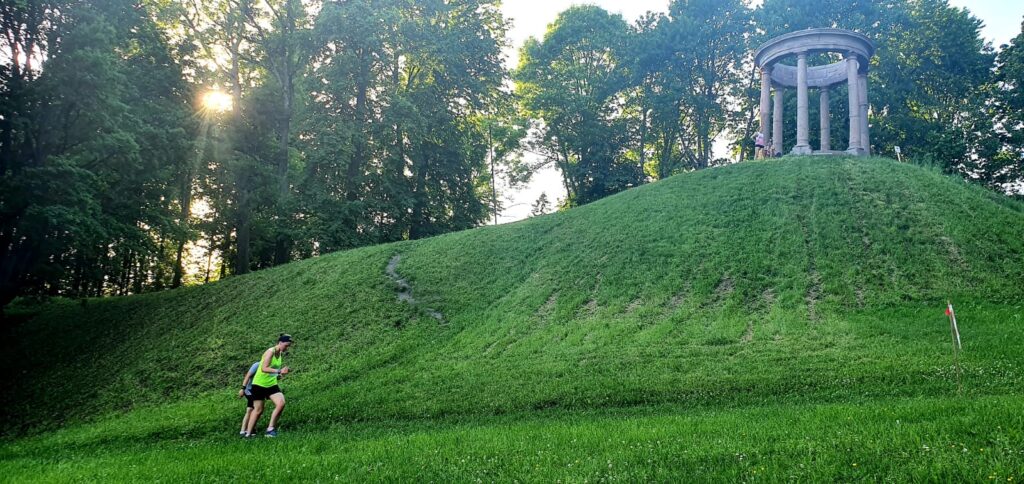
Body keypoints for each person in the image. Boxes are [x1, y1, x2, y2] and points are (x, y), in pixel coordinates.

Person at [244, 334, 292, 438]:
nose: (287, 347)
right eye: (286, 345)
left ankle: (270, 429)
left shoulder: (280, 354)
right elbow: (263, 368)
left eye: (289, 346)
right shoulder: (270, 352)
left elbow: (271, 370)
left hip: (271, 384)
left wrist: (279, 374)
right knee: (258, 410)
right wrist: (279, 370)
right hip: (259, 384)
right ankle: (248, 434)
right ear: (280, 342)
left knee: (281, 403)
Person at [237, 360, 260, 436]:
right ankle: (246, 430)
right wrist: (242, 388)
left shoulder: (270, 367)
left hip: (257, 390)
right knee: (253, 409)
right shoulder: (257, 365)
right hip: (249, 390)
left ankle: (247, 429)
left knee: (251, 409)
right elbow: (248, 376)